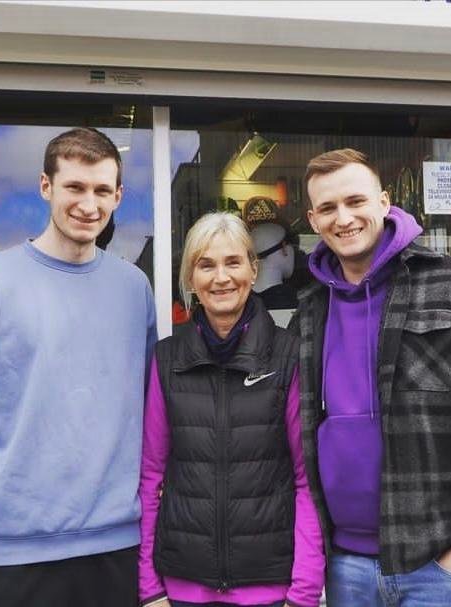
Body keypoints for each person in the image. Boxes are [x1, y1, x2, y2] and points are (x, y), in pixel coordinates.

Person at [291, 149, 451, 606]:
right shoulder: (310, 312)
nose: (343, 218)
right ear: (313, 220)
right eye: (328, 207)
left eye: (355, 201)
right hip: (346, 567)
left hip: (442, 567)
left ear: (384, 202)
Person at [0, 127, 157, 607]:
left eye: (102, 190)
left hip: (114, 548)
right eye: (75, 187)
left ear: (118, 196)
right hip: (9, 553)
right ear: (45, 186)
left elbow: (150, 416)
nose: (89, 205)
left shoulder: (134, 290)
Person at [138, 212, 324, 607]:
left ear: (253, 270)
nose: (221, 277)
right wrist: (150, 589)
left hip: (270, 589)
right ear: (191, 279)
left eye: (233, 262)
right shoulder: (167, 359)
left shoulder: (288, 355)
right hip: (182, 589)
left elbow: (306, 480)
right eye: (206, 265)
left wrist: (304, 592)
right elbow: (151, 476)